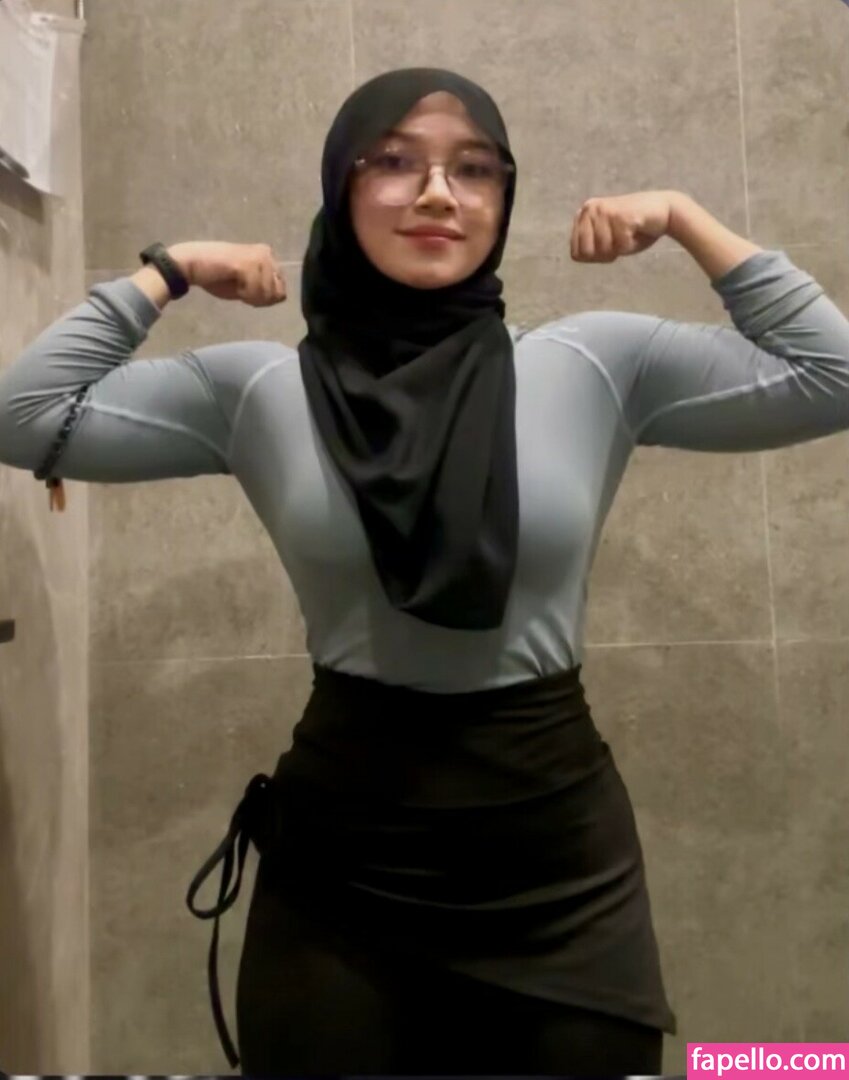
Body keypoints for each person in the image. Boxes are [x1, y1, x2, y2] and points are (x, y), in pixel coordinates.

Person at [1, 66, 847, 1076]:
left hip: (557, 865)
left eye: (475, 170)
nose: (440, 193)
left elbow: (831, 375)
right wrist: (168, 270)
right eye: (394, 162)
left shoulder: (595, 365)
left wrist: (683, 216)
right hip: (341, 870)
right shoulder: (258, 388)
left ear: (504, 200)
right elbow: (22, 415)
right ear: (340, 190)